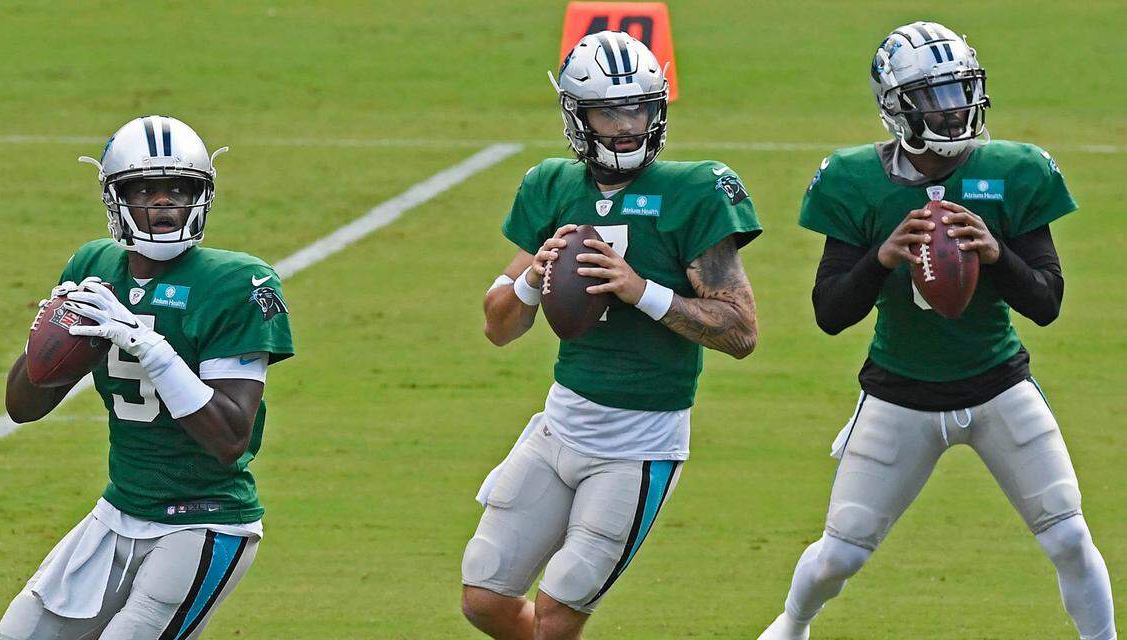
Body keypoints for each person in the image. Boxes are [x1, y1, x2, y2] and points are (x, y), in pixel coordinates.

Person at [758, 22, 1115, 640]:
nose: (954, 111)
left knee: (1069, 535)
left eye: (960, 92)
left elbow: (1048, 302)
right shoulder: (855, 179)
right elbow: (830, 312)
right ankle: (792, 626)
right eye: (934, 97)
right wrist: (882, 257)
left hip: (999, 386)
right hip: (899, 394)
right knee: (840, 555)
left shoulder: (1015, 169)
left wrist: (998, 255)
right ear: (896, 105)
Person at [460, 31, 762, 640]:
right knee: (484, 597)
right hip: (559, 425)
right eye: (609, 111)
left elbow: (739, 330)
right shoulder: (551, 185)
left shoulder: (696, 188)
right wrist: (532, 279)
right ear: (577, 114)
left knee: (557, 615)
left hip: (639, 443)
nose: (627, 126)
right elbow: (498, 327)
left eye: (641, 109)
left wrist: (640, 290)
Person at [0, 115, 294, 640]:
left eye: (178, 190)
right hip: (119, 510)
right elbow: (25, 406)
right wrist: (49, 337)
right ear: (116, 200)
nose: (162, 204)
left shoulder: (236, 282)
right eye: (144, 191)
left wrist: (147, 345)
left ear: (201, 197)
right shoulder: (93, 265)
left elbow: (230, 440)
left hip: (204, 519)